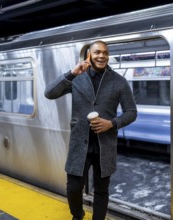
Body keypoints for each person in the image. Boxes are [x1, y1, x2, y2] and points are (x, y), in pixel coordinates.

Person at [44, 40, 137, 220]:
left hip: (105, 146)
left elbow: (132, 112)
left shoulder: (119, 81)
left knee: (101, 190)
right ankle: (78, 215)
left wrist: (112, 123)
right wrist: (71, 73)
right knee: (73, 188)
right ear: (89, 55)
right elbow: (49, 93)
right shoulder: (78, 78)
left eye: (105, 53)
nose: (102, 56)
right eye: (97, 52)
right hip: (80, 144)